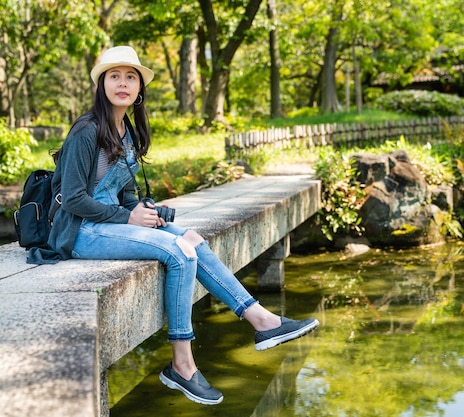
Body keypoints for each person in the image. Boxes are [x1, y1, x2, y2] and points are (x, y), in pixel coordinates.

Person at [28, 45, 319, 405]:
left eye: (130, 77)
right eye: (114, 76)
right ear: (102, 84)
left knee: (193, 240)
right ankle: (182, 364)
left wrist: (148, 211)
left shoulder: (127, 132)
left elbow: (126, 194)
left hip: (110, 224)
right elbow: (73, 199)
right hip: (81, 232)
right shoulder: (86, 131)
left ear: (139, 89)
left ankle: (262, 320)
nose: (123, 83)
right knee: (178, 253)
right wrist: (129, 216)